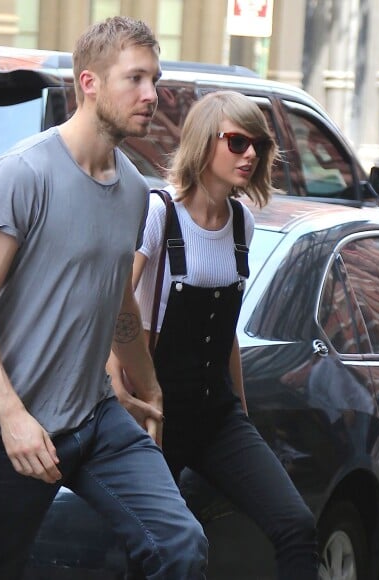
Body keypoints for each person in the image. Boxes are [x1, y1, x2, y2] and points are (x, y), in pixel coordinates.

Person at [0, 16, 208, 580]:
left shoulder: (137, 191)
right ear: (89, 83)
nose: (151, 95)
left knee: (179, 545)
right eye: (135, 79)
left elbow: (118, 302)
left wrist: (150, 386)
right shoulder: (23, 172)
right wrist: (14, 418)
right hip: (15, 435)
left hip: (97, 420)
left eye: (155, 80)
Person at [108, 90, 319, 579]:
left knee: (295, 525)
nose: (250, 155)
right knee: (161, 549)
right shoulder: (161, 212)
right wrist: (115, 380)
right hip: (156, 412)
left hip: (216, 413)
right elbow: (114, 301)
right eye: (237, 142)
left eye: (258, 147)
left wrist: (240, 411)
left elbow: (224, 334)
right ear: (204, 143)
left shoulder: (242, 222)